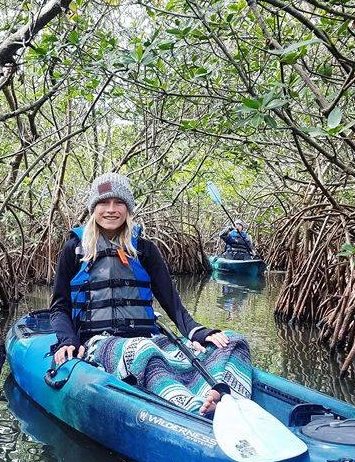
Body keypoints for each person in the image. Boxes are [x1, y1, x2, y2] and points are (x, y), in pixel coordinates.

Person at [48, 173, 253, 416]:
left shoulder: (144, 250)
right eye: (104, 203)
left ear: (128, 209)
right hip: (98, 343)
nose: (111, 210)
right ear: (94, 208)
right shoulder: (75, 249)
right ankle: (195, 409)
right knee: (143, 351)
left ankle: (223, 394)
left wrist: (198, 332)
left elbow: (172, 302)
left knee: (232, 340)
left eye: (119, 203)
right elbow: (59, 306)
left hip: (147, 338)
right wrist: (68, 341)